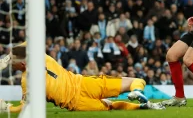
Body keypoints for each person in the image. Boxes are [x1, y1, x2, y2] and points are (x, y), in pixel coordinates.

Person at [0, 41, 164, 113]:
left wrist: (6, 108)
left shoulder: (26, 81)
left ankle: (143, 107)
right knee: (137, 81)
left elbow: (23, 108)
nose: (12, 67)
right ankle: (136, 91)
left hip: (77, 103)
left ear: (21, 66)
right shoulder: (42, 56)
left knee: (110, 106)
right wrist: (8, 58)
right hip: (83, 83)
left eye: (13, 63)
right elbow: (28, 43)